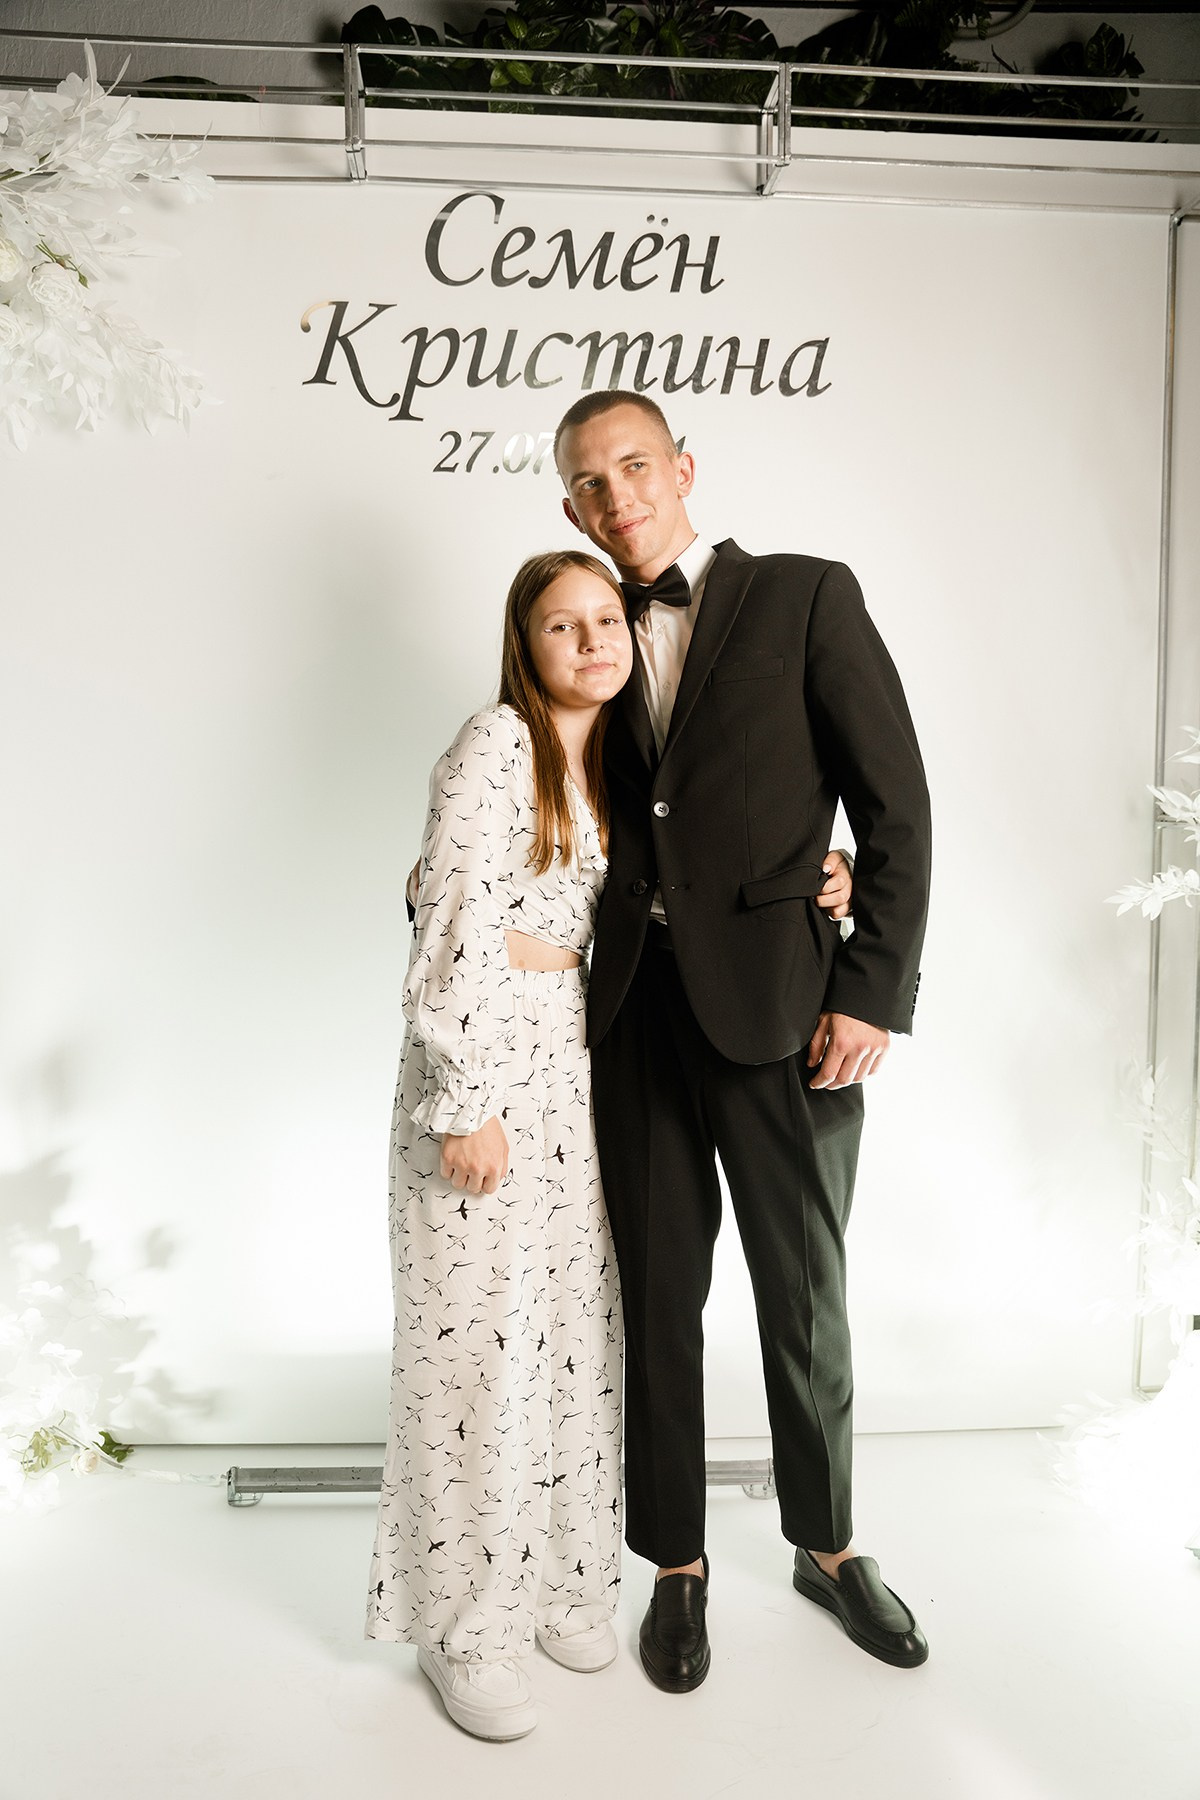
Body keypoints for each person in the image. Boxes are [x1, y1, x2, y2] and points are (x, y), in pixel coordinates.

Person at [365, 547, 855, 1740]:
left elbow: (721, 850)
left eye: (604, 620)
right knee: (476, 1353)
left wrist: (826, 873)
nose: (592, 640)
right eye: (560, 625)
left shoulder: (618, 760)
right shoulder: (496, 746)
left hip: (576, 1072)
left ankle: (555, 1583)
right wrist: (464, 1100)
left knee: (569, 1339)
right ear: (523, 645)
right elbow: (446, 918)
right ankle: (466, 1628)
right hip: (486, 1069)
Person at [555, 389, 933, 1693]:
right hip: (634, 1015)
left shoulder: (806, 595)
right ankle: (675, 1563)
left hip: (787, 1009)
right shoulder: (577, 628)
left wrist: (871, 989)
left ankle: (827, 1547)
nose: (617, 495)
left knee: (802, 1290)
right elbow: (556, 805)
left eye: (635, 466)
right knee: (659, 1299)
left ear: (683, 468)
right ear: (572, 509)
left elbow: (896, 805)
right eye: (590, 481)